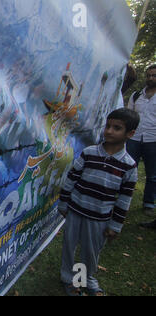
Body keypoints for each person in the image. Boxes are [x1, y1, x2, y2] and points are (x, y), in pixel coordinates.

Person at [58, 108, 140, 296]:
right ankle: (69, 279)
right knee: (70, 246)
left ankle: (86, 278)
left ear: (130, 134)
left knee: (90, 250)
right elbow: (71, 179)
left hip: (99, 218)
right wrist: (63, 203)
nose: (109, 131)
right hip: (76, 211)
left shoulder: (129, 165)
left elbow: (124, 199)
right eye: (108, 126)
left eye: (117, 128)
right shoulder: (89, 153)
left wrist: (115, 225)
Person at [126, 64, 156, 216]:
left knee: (153, 174)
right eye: (149, 75)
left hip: (153, 140)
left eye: (154, 75)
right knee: (128, 169)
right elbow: (128, 116)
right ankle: (123, 197)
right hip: (134, 138)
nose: (151, 78)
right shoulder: (136, 96)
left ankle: (149, 203)